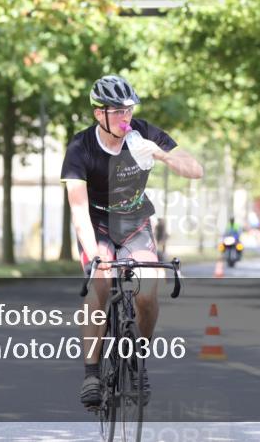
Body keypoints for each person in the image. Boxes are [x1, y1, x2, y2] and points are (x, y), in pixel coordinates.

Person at [61, 74, 203, 408]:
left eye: (130, 109)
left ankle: (137, 362)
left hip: (134, 222)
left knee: (149, 290)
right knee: (101, 281)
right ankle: (92, 372)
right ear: (100, 114)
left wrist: (163, 155)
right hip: (97, 225)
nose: (127, 116)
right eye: (118, 111)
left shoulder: (144, 134)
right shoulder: (80, 147)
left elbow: (195, 170)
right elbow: (78, 208)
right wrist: (96, 255)